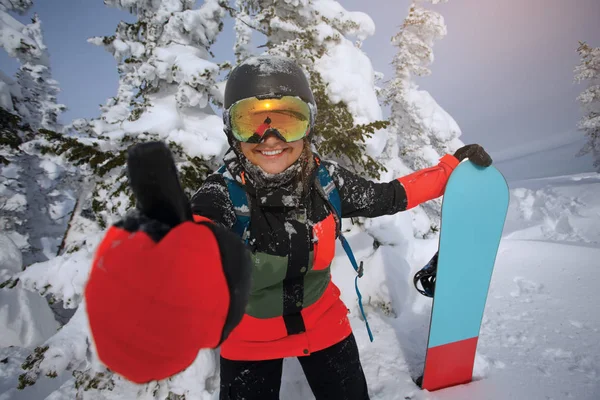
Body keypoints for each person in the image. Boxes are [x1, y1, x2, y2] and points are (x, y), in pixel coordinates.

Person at [84, 55, 492, 400]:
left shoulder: (326, 181)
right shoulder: (222, 195)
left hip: (323, 322)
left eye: (287, 119)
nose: (271, 138)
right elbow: (201, 235)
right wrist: (164, 275)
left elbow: (389, 197)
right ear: (232, 132)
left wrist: (449, 169)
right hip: (249, 339)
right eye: (251, 122)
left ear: (309, 125)